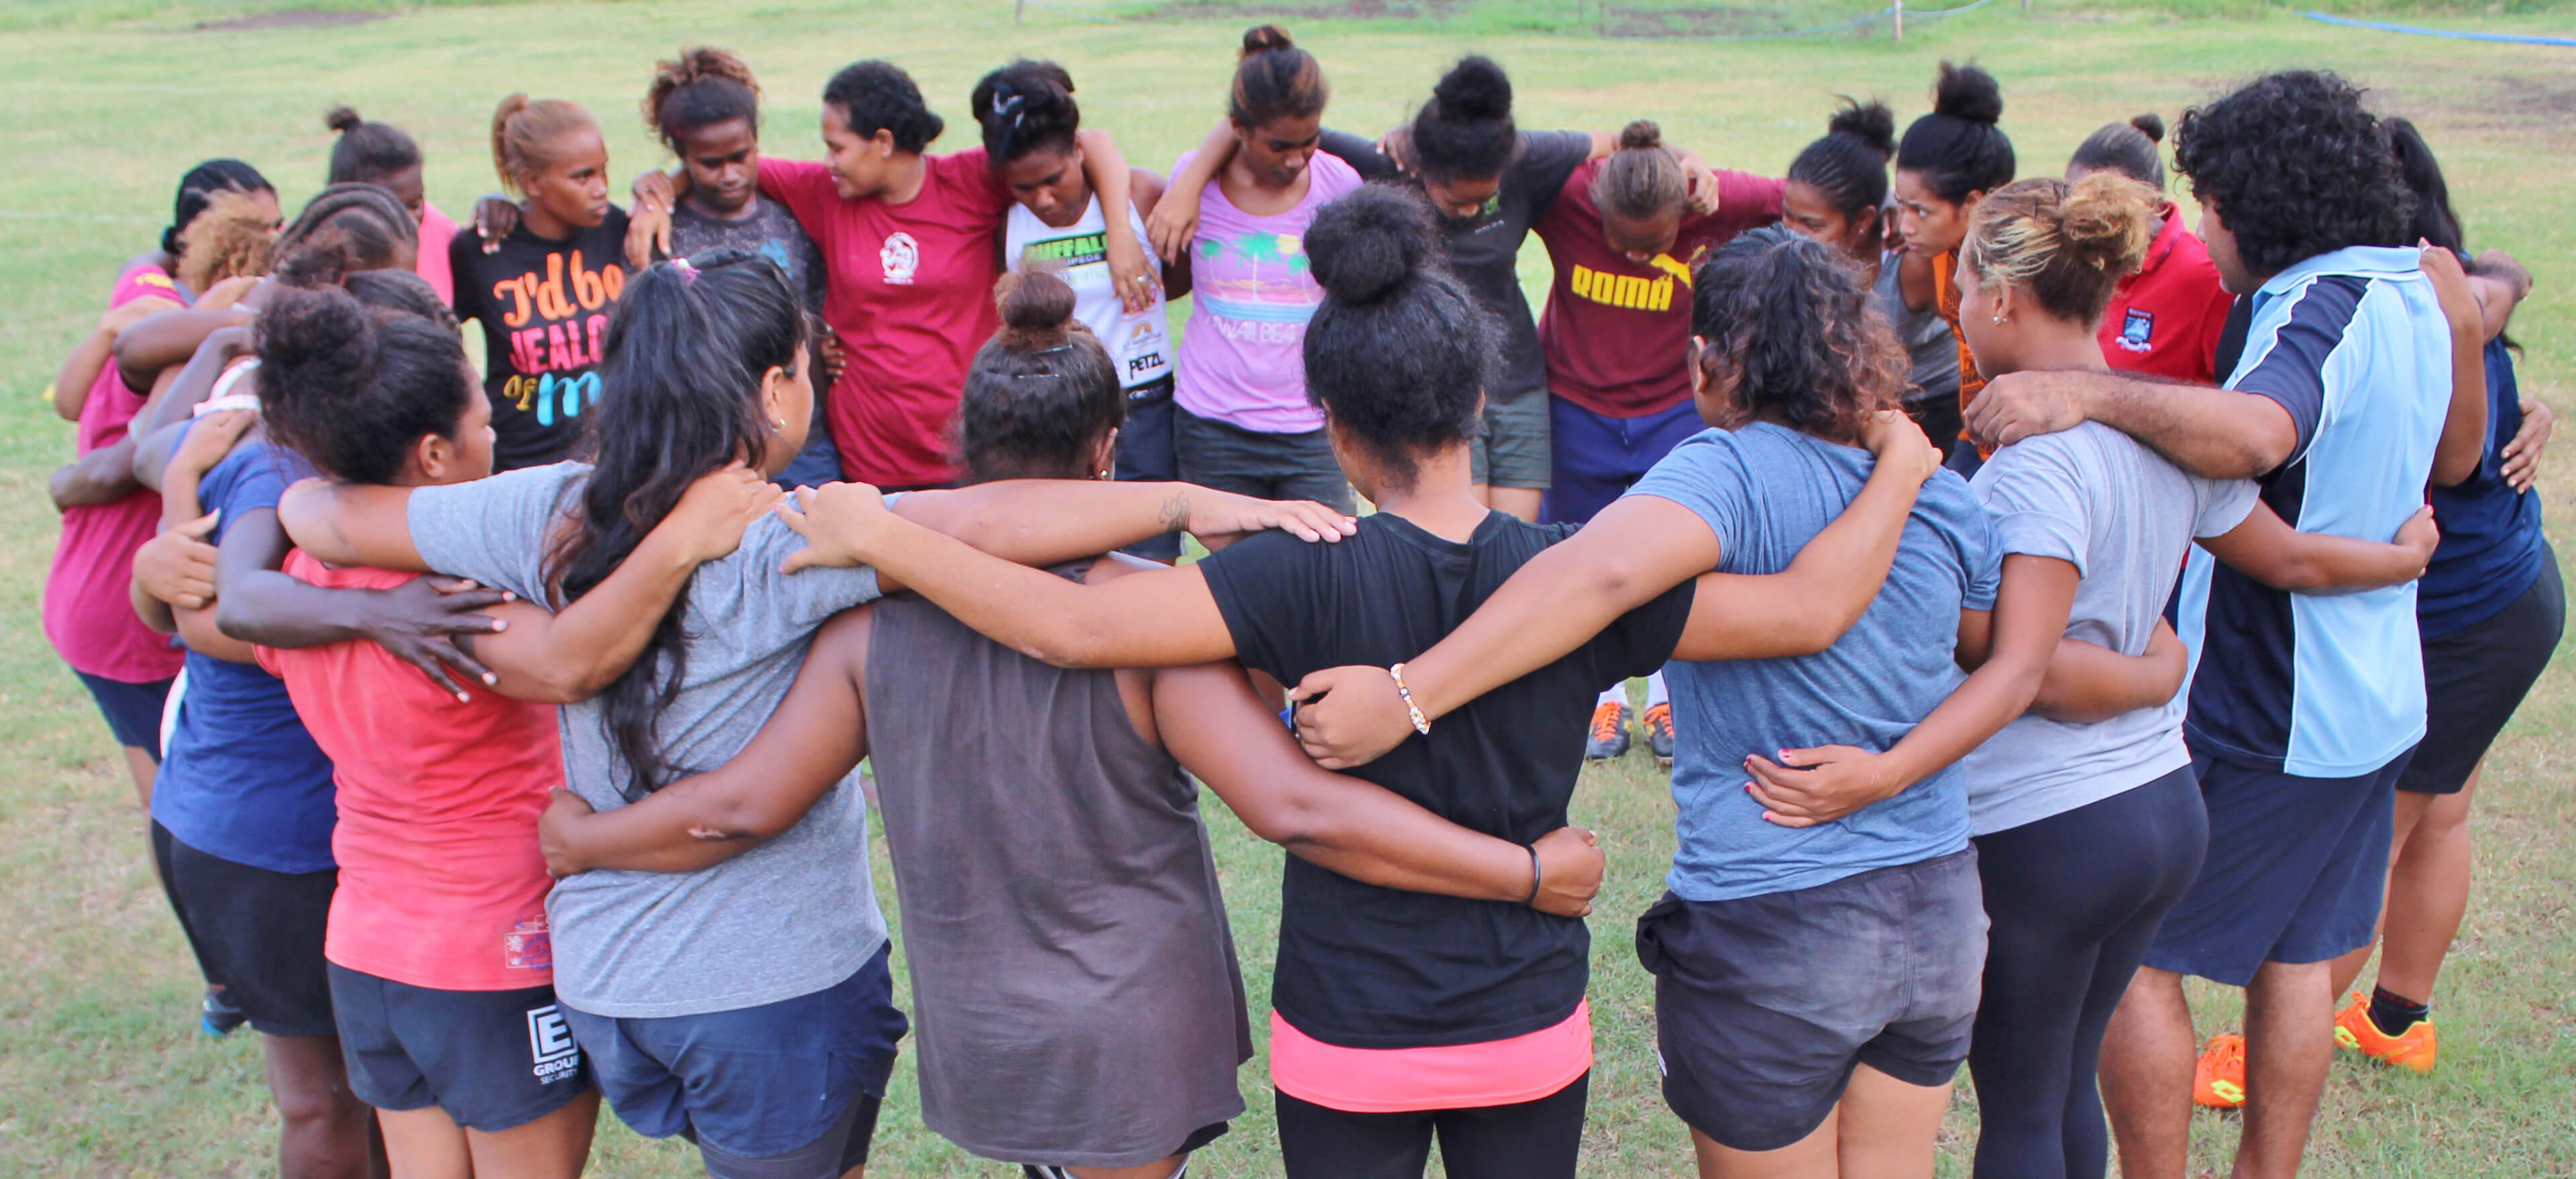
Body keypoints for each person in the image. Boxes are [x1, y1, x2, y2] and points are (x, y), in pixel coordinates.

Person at [761, 188, 1934, 1179]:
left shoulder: (1288, 574)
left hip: (1347, 1026)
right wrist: (1898, 463)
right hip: (1526, 1017)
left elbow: (1069, 621)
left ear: (1329, 423)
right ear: (1479, 403)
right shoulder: (1576, 576)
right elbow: (1802, 610)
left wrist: (890, 532)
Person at [274, 248, 1356, 1179]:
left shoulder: (540, 507)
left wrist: (332, 578)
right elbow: (985, 519)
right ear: (775, 385)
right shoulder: (790, 536)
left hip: (607, 979)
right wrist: (1182, 500)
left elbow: (315, 508)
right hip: (769, 989)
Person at [537, 269, 1611, 1179]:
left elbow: (745, 799)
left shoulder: (867, 632)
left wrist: (591, 839)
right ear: (1109, 451)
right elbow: (1287, 796)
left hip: (988, 1024)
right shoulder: (1158, 627)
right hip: (1138, 1023)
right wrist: (1516, 865)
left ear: (968, 445)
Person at [1283, 225, 1997, 1179]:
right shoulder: (1938, 493)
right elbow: (1992, 651)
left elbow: (1597, 577)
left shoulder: (1729, 470)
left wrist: (1411, 694)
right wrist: (1905, 472)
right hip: (1940, 906)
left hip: (1779, 915)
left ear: (1709, 358)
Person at [1962, 71, 2478, 1179]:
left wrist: (2088, 395)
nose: (2200, 224)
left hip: (2273, 699)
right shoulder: (2419, 289)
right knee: (2295, 956)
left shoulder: (2316, 303)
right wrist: (2398, 554)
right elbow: (2452, 461)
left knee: (2137, 964)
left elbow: (2254, 432)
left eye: (2206, 200)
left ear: (2252, 200)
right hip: (2379, 687)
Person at [213, 280, 710, 1176]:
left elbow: (242, 604)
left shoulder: (305, 589)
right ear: (437, 453)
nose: (497, 434)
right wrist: (684, 537)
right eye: (485, 416)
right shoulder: (455, 606)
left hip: (369, 946)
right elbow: (571, 661)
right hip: (491, 952)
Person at [628, 56, 1152, 492]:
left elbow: (1089, 142)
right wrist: (659, 193)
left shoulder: (969, 181)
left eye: (837, 146)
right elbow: (725, 166)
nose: (827, 159)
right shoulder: (824, 193)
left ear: (881, 141)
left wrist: (1122, 241)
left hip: (977, 448)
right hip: (869, 463)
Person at [2322, 119, 2557, 1075]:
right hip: (2507, 598)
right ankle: (2397, 1019)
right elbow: (2502, 270)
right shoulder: (2450, 287)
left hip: (2470, 617)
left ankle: (2277, 1038)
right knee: (2439, 808)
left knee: (2376, 831)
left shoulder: (2413, 310)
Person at [1529, 119, 1783, 763]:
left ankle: (1669, 692)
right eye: (1623, 242)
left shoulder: (1711, 199)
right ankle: (1603, 694)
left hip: (1673, 409)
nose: (1639, 256)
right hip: (1575, 407)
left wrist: (1695, 168)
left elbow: (1802, 197)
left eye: (1656, 243)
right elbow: (1506, 157)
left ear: (1685, 209)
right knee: (1581, 549)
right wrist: (1616, 141)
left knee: (1679, 556)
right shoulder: (1570, 196)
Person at [44, 158, 271, 825]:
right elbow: (137, 453)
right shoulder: (188, 351)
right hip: (129, 611)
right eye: (262, 230)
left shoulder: (146, 300)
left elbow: (67, 404)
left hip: (92, 593)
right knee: (180, 804)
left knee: (165, 796)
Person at [1138, 25, 1362, 514]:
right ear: (1238, 130)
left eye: (1309, 141)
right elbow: (1170, 277)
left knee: (1326, 573)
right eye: (1279, 146)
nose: (1296, 159)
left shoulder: (1339, 183)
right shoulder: (1193, 182)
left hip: (1314, 428)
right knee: (1237, 579)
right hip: (1214, 425)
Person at [976, 58, 1185, 560]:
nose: (1043, 199)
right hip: (1055, 412)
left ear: (1078, 150)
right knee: (1067, 562)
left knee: (1150, 559)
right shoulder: (1010, 226)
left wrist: (1121, 240)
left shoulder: (1140, 195)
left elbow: (1174, 283)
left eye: (1054, 178)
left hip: (1145, 405)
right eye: (1024, 188)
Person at [639, 45, 845, 490]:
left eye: (741, 156)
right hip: (712, 452)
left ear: (756, 142)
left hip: (806, 441)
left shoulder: (791, 211)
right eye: (710, 164)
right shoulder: (664, 231)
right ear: (682, 156)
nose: (730, 173)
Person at [1782, 97, 1960, 476]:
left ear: (1864, 219)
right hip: (1851, 405)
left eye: (1812, 225)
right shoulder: (1791, 257)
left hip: (1928, 410)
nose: (1793, 236)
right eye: (1787, 217)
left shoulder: (1910, 266)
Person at [453, 93, 630, 471]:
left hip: (616, 460)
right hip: (522, 467)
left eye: (603, 170)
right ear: (533, 181)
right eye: (582, 176)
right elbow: (439, 340)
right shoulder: (483, 248)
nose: (601, 188)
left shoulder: (620, 232)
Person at [1893, 61, 2016, 473]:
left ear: (1974, 204)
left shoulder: (2020, 273)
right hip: (1973, 438)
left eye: (1921, 211)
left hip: (2018, 445)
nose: (1904, 225)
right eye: (1901, 206)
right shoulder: (1940, 251)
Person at [2065, 115, 2232, 384]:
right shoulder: (2076, 260)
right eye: (2070, 198)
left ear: (2149, 203)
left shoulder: (2208, 279)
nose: (2077, 217)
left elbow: (2233, 402)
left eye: (2098, 203)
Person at [325, 106, 462, 304]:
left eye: (415, 205)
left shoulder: (442, 234)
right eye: (389, 208)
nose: (409, 223)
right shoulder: (314, 268)